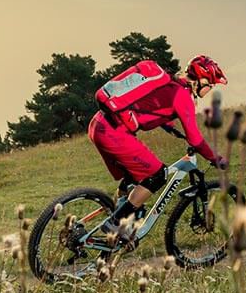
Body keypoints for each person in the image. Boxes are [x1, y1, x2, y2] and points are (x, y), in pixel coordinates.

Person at [88, 55, 228, 239]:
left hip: (98, 124)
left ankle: (117, 212)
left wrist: (170, 127)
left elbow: (150, 106)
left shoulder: (169, 82)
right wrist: (215, 158)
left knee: (133, 177)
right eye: (211, 84)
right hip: (114, 134)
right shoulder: (182, 96)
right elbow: (196, 140)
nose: (210, 89)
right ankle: (116, 224)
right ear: (202, 81)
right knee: (157, 175)